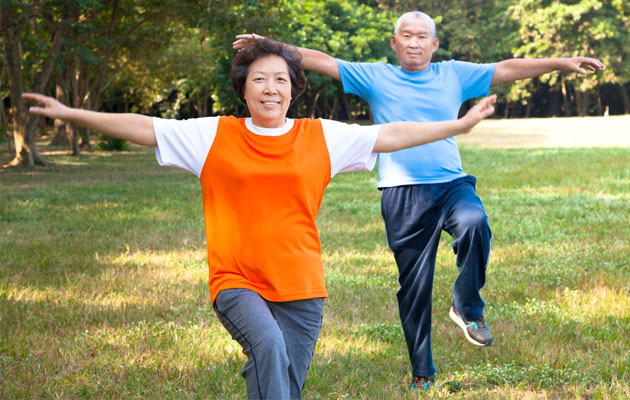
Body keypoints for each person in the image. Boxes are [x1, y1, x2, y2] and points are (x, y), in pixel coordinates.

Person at [23, 38, 496, 399]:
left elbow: (391, 134)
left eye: (281, 79)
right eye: (259, 79)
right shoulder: (214, 135)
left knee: (284, 380)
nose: (271, 88)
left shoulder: (320, 137)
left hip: (302, 285)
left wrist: (459, 125)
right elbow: (144, 127)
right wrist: (71, 113)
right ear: (243, 88)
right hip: (236, 279)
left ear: (294, 87)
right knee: (268, 348)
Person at [234, 11, 604, 391]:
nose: (414, 42)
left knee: (475, 223)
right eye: (406, 36)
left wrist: (561, 63)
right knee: (415, 287)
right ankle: (422, 373)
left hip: (452, 184)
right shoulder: (376, 76)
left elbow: (507, 68)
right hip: (402, 192)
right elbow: (323, 62)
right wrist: (270, 47)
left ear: (434, 44)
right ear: (394, 43)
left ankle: (467, 307)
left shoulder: (453, 75)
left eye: (422, 36)